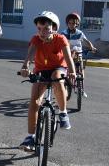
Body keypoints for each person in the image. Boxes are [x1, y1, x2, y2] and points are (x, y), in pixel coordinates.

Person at [18, 11, 76, 152]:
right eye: (39, 29)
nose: (42, 32)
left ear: (54, 28)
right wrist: (25, 67)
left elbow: (68, 57)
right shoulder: (36, 39)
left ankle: (63, 113)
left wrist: (73, 72)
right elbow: (30, 54)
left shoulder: (60, 39)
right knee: (34, 102)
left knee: (57, 76)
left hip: (58, 68)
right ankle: (30, 137)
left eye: (46, 29)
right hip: (41, 70)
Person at [61, 12, 97, 92]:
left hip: (78, 54)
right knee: (64, 70)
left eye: (73, 23)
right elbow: (60, 42)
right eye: (69, 23)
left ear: (77, 24)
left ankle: (81, 88)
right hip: (68, 54)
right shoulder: (64, 33)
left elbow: (86, 41)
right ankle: (65, 87)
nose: (71, 25)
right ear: (67, 23)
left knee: (81, 68)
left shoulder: (79, 33)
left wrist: (92, 47)